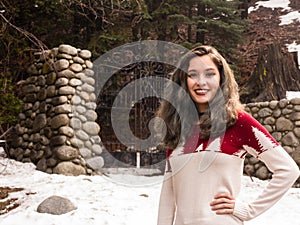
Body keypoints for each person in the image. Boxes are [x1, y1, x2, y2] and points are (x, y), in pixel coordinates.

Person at [155, 45, 299, 225]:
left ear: (221, 78)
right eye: (192, 74)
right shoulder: (178, 128)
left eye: (209, 74)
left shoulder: (237, 122)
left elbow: (288, 170)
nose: (201, 82)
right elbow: (168, 197)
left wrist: (248, 210)